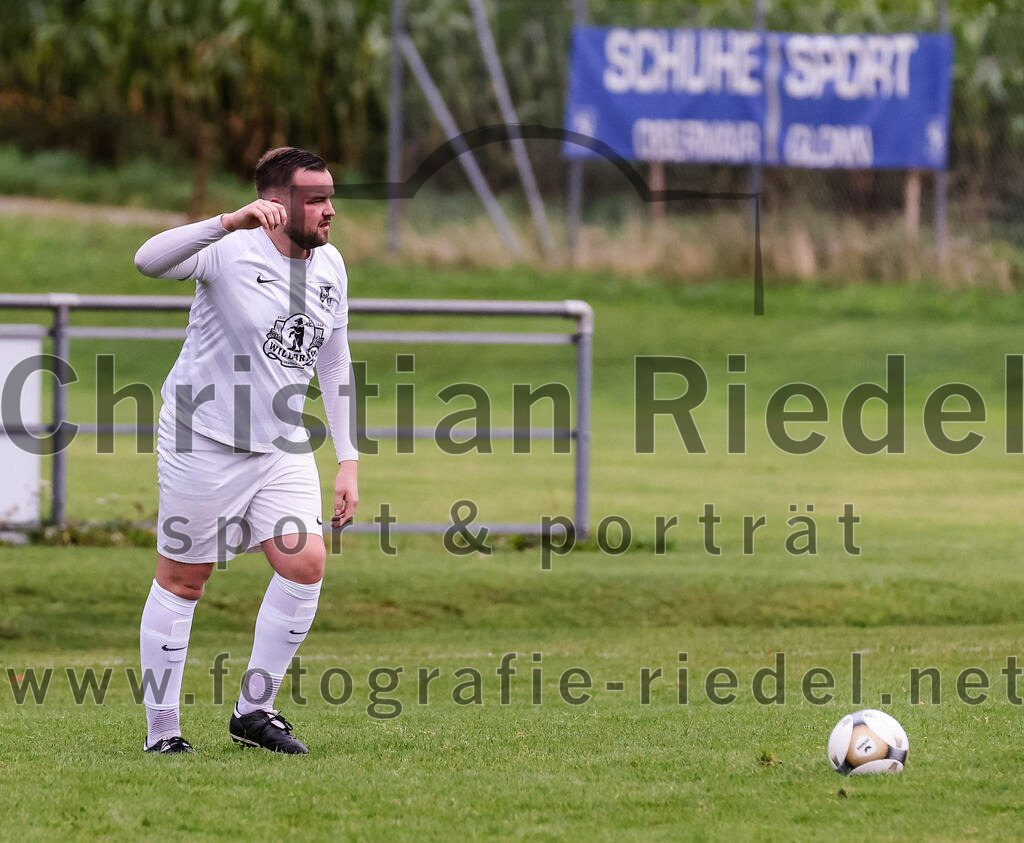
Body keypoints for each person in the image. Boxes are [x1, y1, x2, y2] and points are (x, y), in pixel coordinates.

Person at [132, 147, 359, 754]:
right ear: (277, 204)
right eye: (316, 199)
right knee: (184, 579)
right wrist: (226, 220)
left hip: (281, 443)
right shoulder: (229, 250)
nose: (330, 210)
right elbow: (147, 260)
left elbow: (334, 363)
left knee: (305, 562)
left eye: (330, 196)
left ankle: (254, 712)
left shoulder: (331, 266)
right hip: (200, 438)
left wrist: (349, 460)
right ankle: (163, 731)